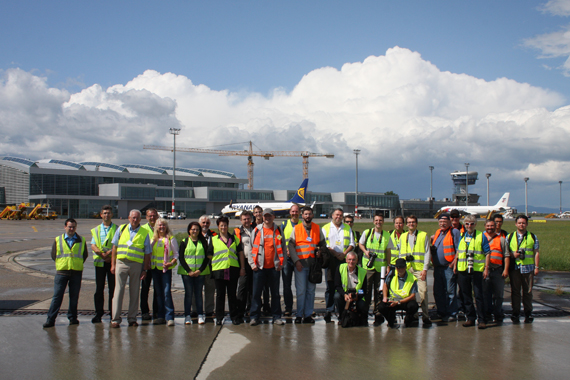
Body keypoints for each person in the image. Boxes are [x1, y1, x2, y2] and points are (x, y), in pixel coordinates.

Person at [110, 209, 152, 328]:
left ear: (140, 219)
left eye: (137, 218)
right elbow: (114, 247)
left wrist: (145, 269)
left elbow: (147, 252)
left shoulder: (144, 232)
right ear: (129, 218)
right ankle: (115, 319)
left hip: (136, 265)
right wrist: (113, 265)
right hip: (121, 263)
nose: (134, 220)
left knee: (134, 292)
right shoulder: (121, 229)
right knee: (118, 291)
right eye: (133, 217)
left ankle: (132, 318)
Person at [43, 218, 88, 328]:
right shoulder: (58, 239)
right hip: (62, 272)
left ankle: (72, 318)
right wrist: (62, 263)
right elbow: (54, 255)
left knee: (74, 297)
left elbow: (84, 255)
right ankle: (51, 319)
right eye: (69, 227)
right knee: (57, 296)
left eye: (73, 227)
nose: (71, 229)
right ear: (65, 227)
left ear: (76, 228)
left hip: (76, 272)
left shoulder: (81, 240)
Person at [288, 206, 327, 324]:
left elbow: (323, 244)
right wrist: (296, 261)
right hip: (301, 265)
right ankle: (299, 314)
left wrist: (320, 251)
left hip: (313, 266)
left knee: (311, 291)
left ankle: (308, 315)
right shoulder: (297, 229)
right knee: (301, 291)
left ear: (312, 215)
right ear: (302, 215)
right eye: (305, 214)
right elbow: (290, 246)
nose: (307, 216)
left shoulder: (317, 228)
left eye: (309, 214)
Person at [249, 208, 286, 326]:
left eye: (269, 216)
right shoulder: (257, 230)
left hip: (274, 268)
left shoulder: (278, 230)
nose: (267, 218)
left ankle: (276, 317)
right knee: (256, 294)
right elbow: (250, 249)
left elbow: (284, 249)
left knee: (275, 294)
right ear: (262, 217)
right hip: (259, 268)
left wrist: (282, 264)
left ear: (273, 217)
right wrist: (252, 264)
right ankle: (254, 316)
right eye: (265, 216)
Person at [208, 216, 246, 325]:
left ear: (227, 226)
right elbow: (209, 254)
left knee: (232, 295)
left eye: (225, 225)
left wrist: (242, 268)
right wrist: (217, 261)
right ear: (218, 227)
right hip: (219, 270)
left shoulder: (234, 239)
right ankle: (219, 317)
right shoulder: (214, 239)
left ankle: (234, 316)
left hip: (232, 270)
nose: (223, 227)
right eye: (221, 226)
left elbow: (240, 254)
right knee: (220, 295)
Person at [454, 215, 490, 329]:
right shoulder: (462, 236)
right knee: (466, 295)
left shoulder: (481, 235)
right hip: (463, 269)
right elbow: (459, 252)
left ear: (475, 224)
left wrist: (486, 268)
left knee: (479, 295)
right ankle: (470, 317)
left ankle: (482, 319)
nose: (469, 226)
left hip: (477, 270)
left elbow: (487, 252)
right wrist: (455, 265)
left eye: (472, 224)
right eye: (467, 224)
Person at [358, 212, 392, 326]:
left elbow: (388, 252)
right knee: (366, 290)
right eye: (376, 220)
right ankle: (364, 313)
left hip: (380, 268)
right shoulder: (367, 232)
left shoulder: (387, 235)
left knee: (379, 291)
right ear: (373, 221)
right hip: (368, 267)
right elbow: (360, 244)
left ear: (383, 222)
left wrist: (388, 265)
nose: (378, 222)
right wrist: (365, 251)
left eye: (380, 220)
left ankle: (378, 314)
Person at [322, 208, 354, 323]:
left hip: (343, 260)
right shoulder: (325, 228)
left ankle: (342, 311)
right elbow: (324, 245)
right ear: (332, 215)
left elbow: (352, 243)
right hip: (331, 261)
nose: (338, 217)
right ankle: (329, 310)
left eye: (340, 215)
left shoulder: (347, 228)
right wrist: (335, 253)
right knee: (330, 286)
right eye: (336, 215)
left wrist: (344, 254)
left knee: (343, 286)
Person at [399, 215, 432, 325]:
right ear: (406, 224)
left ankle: (426, 316)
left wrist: (425, 269)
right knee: (409, 294)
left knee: (423, 292)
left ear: (416, 223)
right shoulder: (403, 236)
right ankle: (413, 315)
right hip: (407, 270)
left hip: (419, 269)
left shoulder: (423, 235)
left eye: (413, 222)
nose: (411, 224)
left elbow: (427, 253)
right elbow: (400, 253)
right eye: (409, 222)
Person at [507, 215, 540, 324]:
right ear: (516, 224)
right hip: (515, 268)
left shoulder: (533, 237)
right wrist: (513, 255)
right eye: (519, 223)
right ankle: (515, 313)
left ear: (527, 224)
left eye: (523, 223)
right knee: (515, 292)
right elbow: (506, 253)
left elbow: (536, 253)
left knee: (528, 292)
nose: (521, 225)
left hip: (528, 268)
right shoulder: (510, 236)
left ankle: (528, 313)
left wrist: (536, 267)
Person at [431, 213, 462, 322]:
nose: (442, 224)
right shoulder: (438, 233)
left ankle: (452, 313)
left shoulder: (455, 232)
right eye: (440, 222)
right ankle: (441, 311)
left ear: (449, 222)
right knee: (438, 291)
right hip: (438, 267)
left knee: (450, 291)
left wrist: (454, 263)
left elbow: (459, 248)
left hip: (448, 267)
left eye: (444, 222)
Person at [178, 222, 210, 325]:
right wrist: (189, 271)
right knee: (188, 294)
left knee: (198, 294)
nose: (194, 231)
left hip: (200, 273)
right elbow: (181, 258)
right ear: (189, 230)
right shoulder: (184, 241)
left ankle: (200, 315)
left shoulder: (203, 242)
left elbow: (206, 258)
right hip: (187, 273)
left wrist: (199, 270)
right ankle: (187, 316)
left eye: (196, 229)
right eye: (193, 229)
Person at [90, 205, 118, 323]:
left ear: (112, 215)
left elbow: (118, 244)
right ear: (101, 215)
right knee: (99, 289)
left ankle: (113, 313)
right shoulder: (96, 229)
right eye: (105, 213)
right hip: (100, 262)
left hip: (111, 262)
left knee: (113, 289)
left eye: (109, 213)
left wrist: (110, 254)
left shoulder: (117, 228)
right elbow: (93, 244)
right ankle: (98, 313)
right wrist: (101, 254)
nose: (107, 215)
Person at [149, 218, 179, 326]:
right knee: (158, 293)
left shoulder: (171, 239)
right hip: (155, 269)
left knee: (166, 293)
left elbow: (176, 254)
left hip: (165, 270)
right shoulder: (153, 239)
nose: (161, 227)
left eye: (163, 225)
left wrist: (171, 263)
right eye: (159, 225)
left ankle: (170, 316)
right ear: (156, 227)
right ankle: (160, 316)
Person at [482, 219, 510, 323]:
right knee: (486, 294)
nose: (490, 227)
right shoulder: (481, 238)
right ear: (485, 226)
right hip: (485, 270)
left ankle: (498, 313)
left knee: (498, 294)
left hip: (498, 270)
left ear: (496, 226)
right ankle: (487, 313)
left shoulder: (501, 239)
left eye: (492, 226)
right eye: (488, 226)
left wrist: (506, 270)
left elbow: (506, 256)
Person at [378, 258, 419, 328]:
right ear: (396, 268)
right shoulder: (392, 273)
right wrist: (385, 297)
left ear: (405, 267)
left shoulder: (412, 278)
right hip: (392, 300)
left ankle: (408, 319)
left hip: (405, 301)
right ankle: (391, 320)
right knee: (381, 307)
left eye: (402, 267)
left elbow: (413, 296)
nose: (401, 269)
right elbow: (385, 285)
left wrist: (398, 302)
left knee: (414, 306)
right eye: (399, 267)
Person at [334, 251, 368, 326]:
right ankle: (341, 317)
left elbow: (364, 290)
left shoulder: (362, 272)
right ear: (346, 260)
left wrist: (357, 296)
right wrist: (344, 295)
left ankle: (359, 318)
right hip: (344, 294)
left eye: (353, 260)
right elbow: (337, 285)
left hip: (356, 296)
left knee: (362, 304)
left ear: (356, 260)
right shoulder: (340, 268)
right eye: (349, 259)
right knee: (336, 296)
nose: (351, 262)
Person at [235, 211, 255, 320]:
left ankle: (251, 310)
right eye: (244, 219)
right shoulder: (238, 231)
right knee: (242, 288)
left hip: (255, 262)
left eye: (248, 219)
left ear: (251, 219)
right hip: (244, 262)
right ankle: (240, 311)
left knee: (253, 288)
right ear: (241, 220)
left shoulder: (256, 229)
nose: (246, 221)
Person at [281, 204, 301, 316]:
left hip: (299, 259)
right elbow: (280, 240)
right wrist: (286, 251)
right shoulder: (284, 224)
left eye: (296, 211)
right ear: (290, 212)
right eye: (293, 211)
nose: (295, 213)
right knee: (286, 285)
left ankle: (301, 307)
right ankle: (288, 307)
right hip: (287, 260)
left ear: (299, 212)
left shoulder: (302, 225)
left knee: (300, 285)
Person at [140, 208, 158, 321]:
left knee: (158, 289)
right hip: (146, 264)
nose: (152, 218)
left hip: (157, 264)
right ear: (146, 217)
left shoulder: (161, 227)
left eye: (154, 215)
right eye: (150, 216)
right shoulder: (143, 230)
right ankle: (144, 312)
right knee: (145, 289)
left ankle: (156, 312)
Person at [199, 215, 217, 320]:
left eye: (207, 223)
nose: (205, 225)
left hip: (210, 268)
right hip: (198, 268)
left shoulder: (214, 235)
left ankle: (209, 310)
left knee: (210, 290)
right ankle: (196, 310)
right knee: (196, 291)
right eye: (203, 222)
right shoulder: (194, 234)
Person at [450, 209, 466, 320]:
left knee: (462, 288)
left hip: (461, 263)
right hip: (449, 264)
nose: (454, 219)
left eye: (456, 217)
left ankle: (461, 308)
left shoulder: (464, 230)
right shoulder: (447, 229)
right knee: (450, 288)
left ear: (459, 218)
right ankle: (452, 307)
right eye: (452, 217)